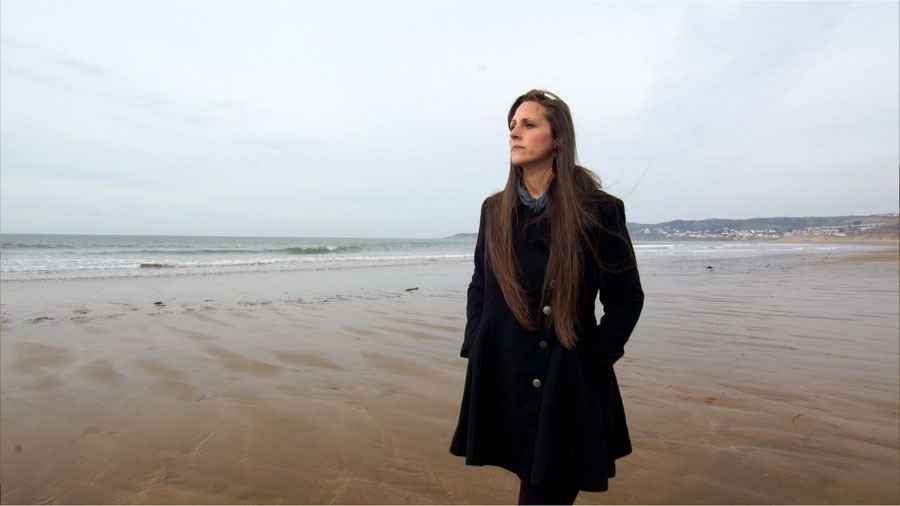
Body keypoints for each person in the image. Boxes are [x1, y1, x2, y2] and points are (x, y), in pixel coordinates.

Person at [449, 89, 644, 505]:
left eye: (529, 124)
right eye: (512, 126)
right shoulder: (494, 209)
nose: (515, 134)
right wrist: (478, 343)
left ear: (558, 139)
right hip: (504, 373)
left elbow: (626, 299)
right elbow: (480, 283)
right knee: (531, 482)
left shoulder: (598, 210)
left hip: (565, 380)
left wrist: (588, 364)